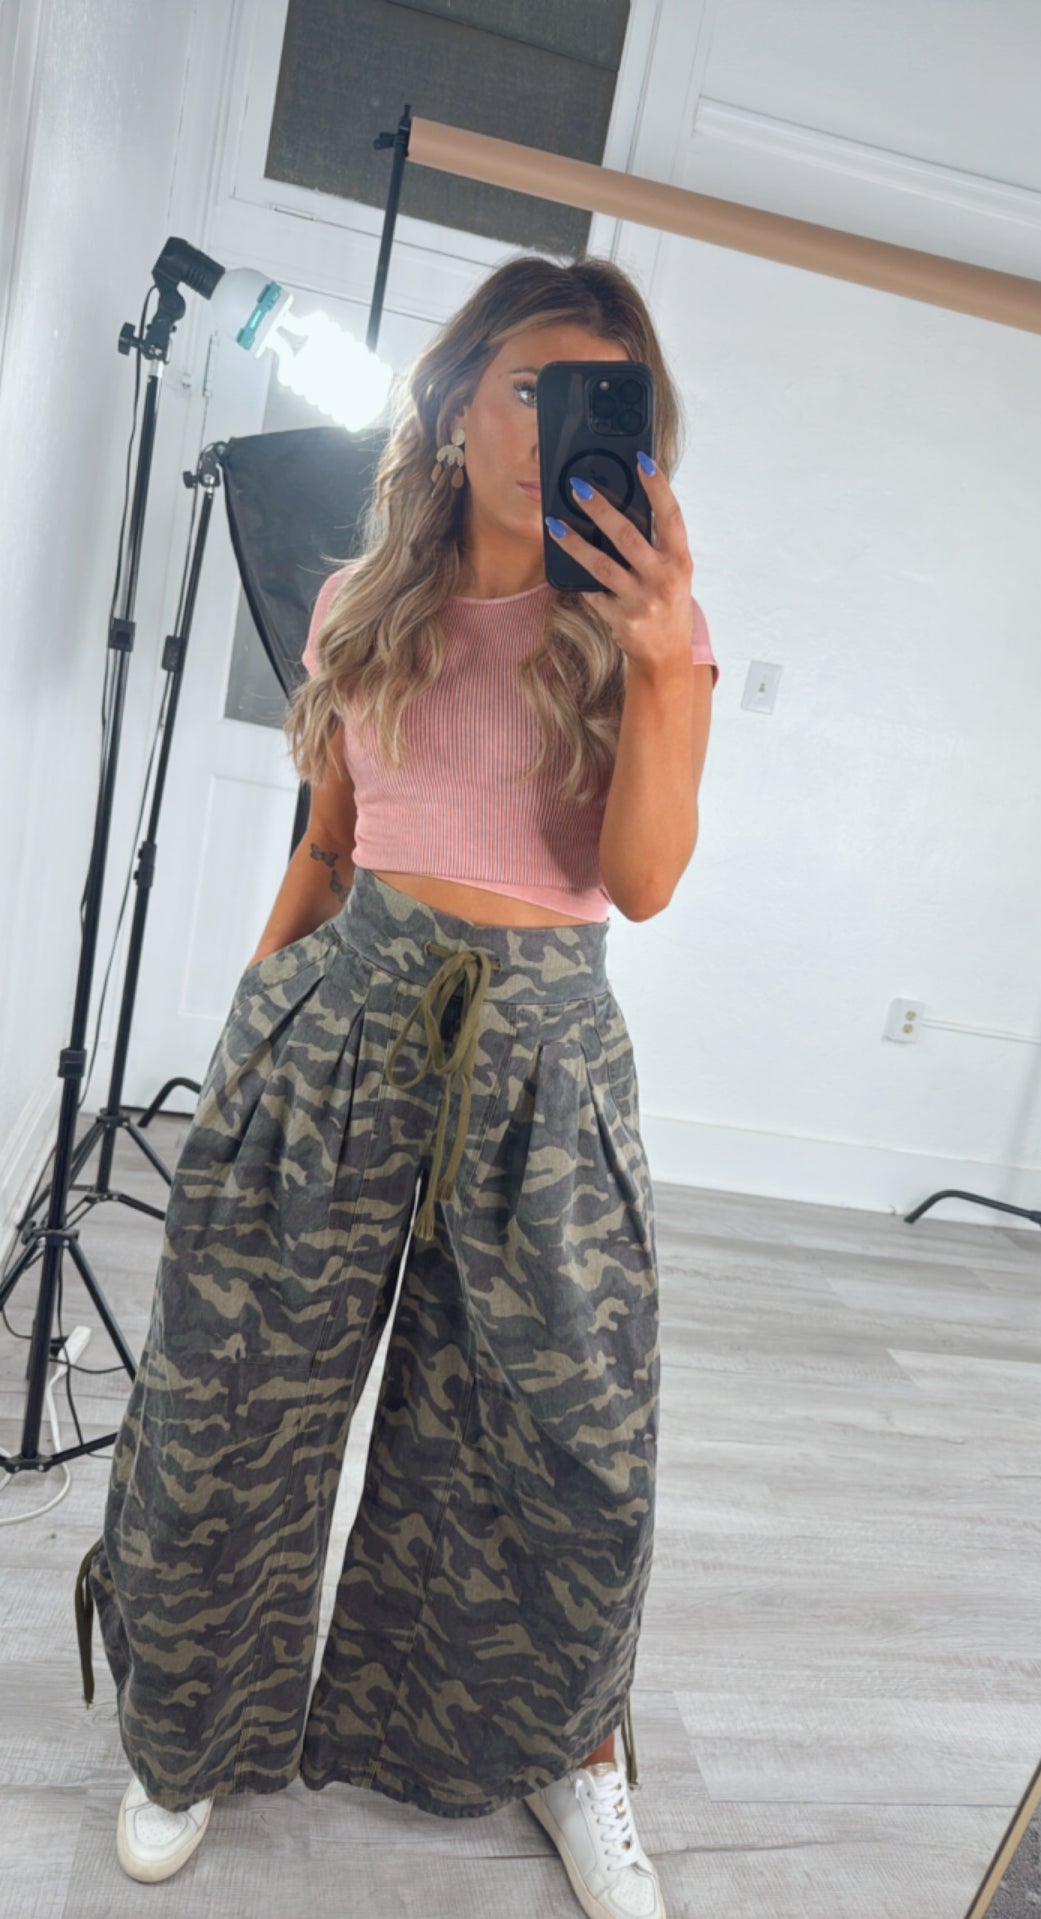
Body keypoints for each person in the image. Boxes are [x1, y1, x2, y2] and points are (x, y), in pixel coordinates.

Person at [74, 251, 717, 1917]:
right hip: (343, 1022)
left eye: (594, 398)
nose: (549, 427)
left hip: (543, 1068)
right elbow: (328, 844)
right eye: (526, 386)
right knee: (233, 1411)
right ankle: (185, 1731)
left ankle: (570, 1753)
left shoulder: (647, 632)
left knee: (567, 1451)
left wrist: (663, 658)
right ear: (449, 405)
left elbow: (644, 883)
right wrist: (241, 1047)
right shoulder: (362, 603)